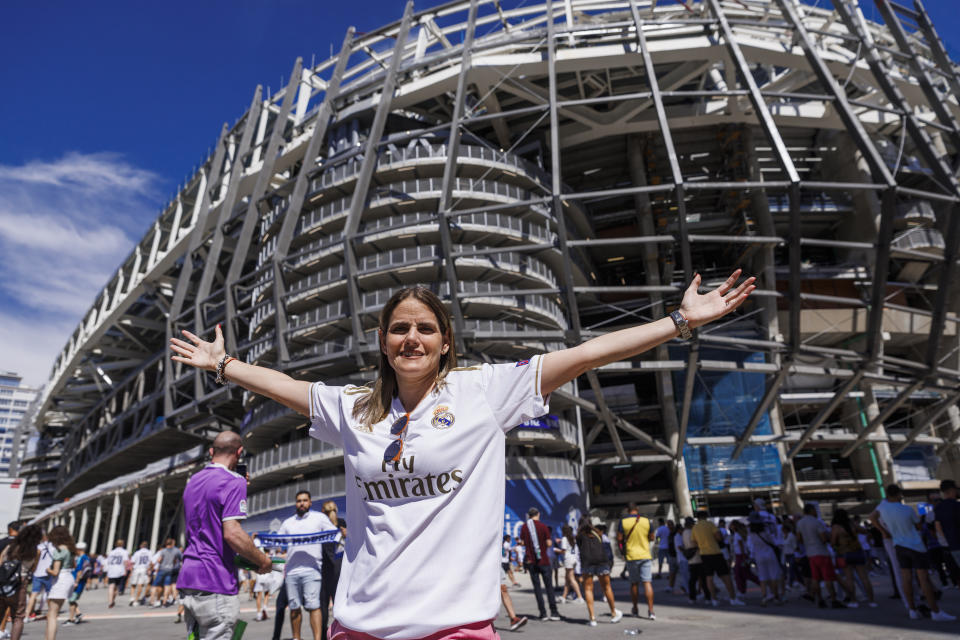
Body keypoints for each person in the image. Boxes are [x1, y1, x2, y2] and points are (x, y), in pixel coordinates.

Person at [169, 272, 755, 638]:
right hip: (359, 624)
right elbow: (281, 386)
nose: (412, 338)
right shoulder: (353, 407)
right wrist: (222, 365)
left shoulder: (483, 392)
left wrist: (679, 321)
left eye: (425, 328)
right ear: (383, 341)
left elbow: (585, 354)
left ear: (445, 341)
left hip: (456, 627)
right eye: (399, 328)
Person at [177, 431, 273, 640]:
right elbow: (232, 533)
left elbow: (207, 532)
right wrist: (262, 560)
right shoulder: (232, 481)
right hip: (215, 580)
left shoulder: (193, 481)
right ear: (239, 452)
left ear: (212, 451)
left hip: (189, 578)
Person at [871, 483, 955, 621]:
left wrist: (883, 531)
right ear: (899, 494)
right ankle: (935, 611)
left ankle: (912, 610)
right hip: (915, 545)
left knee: (906, 578)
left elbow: (872, 517)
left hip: (898, 545)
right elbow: (918, 526)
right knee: (923, 579)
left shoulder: (882, 508)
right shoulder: (907, 509)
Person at [278, 491, 336, 640]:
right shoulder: (288, 523)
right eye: (298, 501)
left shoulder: (320, 518)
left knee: (314, 606)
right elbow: (278, 543)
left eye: (304, 500)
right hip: (291, 571)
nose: (301, 503)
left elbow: (333, 533)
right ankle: (296, 638)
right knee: (294, 607)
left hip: (313, 569)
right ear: (295, 503)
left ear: (310, 502)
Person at [691, 511, 744, 606]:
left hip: (704, 554)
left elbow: (694, 542)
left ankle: (714, 599)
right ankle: (733, 598)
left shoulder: (695, 528)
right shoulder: (710, 524)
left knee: (709, 578)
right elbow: (719, 537)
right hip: (715, 552)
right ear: (705, 516)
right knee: (726, 576)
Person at [0, 524, 43, 640]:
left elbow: (1, 560)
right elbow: (33, 569)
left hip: (2, 582)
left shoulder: (11, 546)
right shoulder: (36, 551)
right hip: (20, 583)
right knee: (18, 617)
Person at [577, 517, 622, 626]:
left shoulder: (579, 536)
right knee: (607, 587)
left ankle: (592, 618)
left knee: (588, 589)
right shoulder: (597, 533)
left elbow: (580, 548)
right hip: (601, 561)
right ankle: (613, 613)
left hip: (587, 562)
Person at [796, 504, 842, 609]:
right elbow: (823, 538)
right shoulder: (817, 522)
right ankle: (834, 600)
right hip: (821, 552)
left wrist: (807, 543)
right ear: (812, 510)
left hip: (810, 553)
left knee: (815, 578)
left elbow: (798, 538)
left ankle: (819, 599)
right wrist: (828, 538)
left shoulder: (800, 523)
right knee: (827, 578)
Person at [520, 507, 561, 621]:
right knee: (549, 587)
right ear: (538, 514)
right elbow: (548, 543)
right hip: (543, 560)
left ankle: (543, 613)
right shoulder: (543, 526)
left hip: (531, 561)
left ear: (529, 515)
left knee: (537, 588)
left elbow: (523, 542)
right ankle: (554, 612)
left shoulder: (524, 527)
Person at [831, 509, 875, 608]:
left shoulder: (836, 527)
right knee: (864, 578)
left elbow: (833, 541)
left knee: (849, 578)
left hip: (844, 553)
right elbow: (866, 532)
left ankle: (853, 600)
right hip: (858, 551)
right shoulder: (853, 524)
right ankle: (871, 601)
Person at [618, 503, 654, 619]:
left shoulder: (623, 522)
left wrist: (622, 551)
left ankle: (635, 608)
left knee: (634, 583)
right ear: (637, 509)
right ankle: (651, 611)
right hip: (645, 555)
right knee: (647, 583)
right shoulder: (646, 521)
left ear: (628, 510)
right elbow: (652, 537)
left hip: (631, 556)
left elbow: (619, 539)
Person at [44, 526, 76, 640]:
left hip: (60, 579)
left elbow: (55, 572)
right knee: (53, 613)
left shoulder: (60, 550)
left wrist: (48, 570)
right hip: (69, 577)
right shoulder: (70, 549)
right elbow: (74, 565)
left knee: (52, 614)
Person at [319, 500, 344, 640]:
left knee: (323, 607)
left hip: (325, 569)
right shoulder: (342, 524)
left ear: (323, 511)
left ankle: (323, 636)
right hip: (339, 569)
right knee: (339, 607)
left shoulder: (322, 526)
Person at [933, 480, 960, 580]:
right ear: (952, 490)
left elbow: (938, 527)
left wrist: (947, 539)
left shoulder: (938, 507)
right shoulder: (957, 505)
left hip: (952, 545)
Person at [64, 541, 90, 625]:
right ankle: (78, 613)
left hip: (78, 582)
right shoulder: (81, 557)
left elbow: (80, 571)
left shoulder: (83, 558)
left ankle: (71, 619)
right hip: (77, 581)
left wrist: (76, 582)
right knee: (71, 599)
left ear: (80, 549)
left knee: (71, 600)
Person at [150, 538, 182, 607]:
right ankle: (164, 601)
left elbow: (159, 560)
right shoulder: (176, 551)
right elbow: (179, 559)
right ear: (172, 543)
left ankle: (152, 600)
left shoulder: (163, 551)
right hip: (170, 570)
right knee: (167, 586)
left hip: (162, 569)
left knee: (155, 585)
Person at [558, 526, 583, 604]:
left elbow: (563, 551)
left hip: (568, 559)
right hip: (574, 559)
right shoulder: (573, 538)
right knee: (567, 579)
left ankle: (579, 597)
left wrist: (556, 550)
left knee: (571, 579)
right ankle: (564, 596)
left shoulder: (565, 539)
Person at [104, 539, 129, 608]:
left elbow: (108, 562)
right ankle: (113, 600)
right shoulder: (124, 552)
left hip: (112, 570)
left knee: (111, 586)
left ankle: (110, 601)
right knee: (116, 587)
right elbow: (125, 562)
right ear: (123, 544)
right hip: (120, 570)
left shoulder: (111, 552)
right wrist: (126, 570)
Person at [128, 541, 152, 606]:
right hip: (144, 569)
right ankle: (136, 600)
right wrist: (149, 570)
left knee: (133, 584)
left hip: (136, 569)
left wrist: (131, 571)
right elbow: (151, 562)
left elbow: (132, 562)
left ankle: (132, 598)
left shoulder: (137, 552)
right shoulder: (149, 552)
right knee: (140, 585)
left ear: (141, 546)